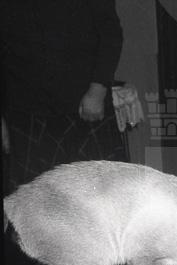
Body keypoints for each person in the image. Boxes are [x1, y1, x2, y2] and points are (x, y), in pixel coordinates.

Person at [2, 0, 125, 190]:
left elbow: (111, 33)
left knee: (102, 195)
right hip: (26, 113)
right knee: (32, 200)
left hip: (84, 108)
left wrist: (98, 89)